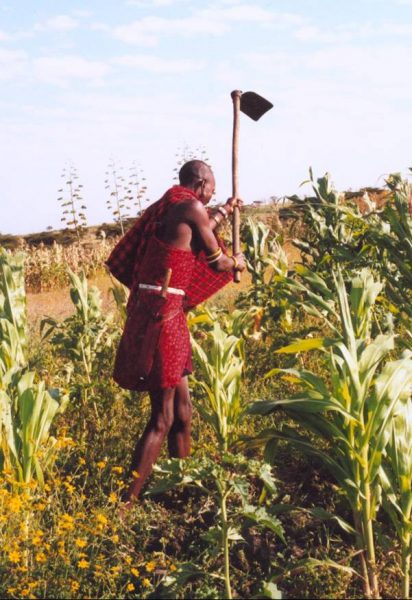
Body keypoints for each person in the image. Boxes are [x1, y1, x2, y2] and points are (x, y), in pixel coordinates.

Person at [106, 160, 246, 505]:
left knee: (183, 411)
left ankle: (180, 489)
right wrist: (237, 262)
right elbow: (217, 260)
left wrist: (226, 211)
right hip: (162, 315)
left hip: (163, 310)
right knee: (163, 416)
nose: (212, 193)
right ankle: (127, 504)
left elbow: (201, 230)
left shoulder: (173, 206)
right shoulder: (190, 207)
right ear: (200, 184)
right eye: (212, 188)